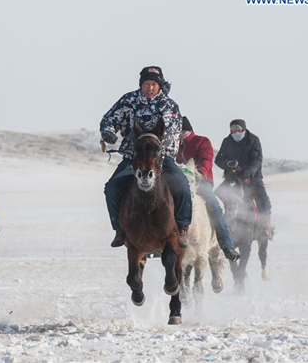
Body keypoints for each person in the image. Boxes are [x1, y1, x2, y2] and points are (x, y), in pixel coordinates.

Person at [100, 66, 192, 248]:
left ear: (160, 86)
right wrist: (109, 132)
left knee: (182, 186)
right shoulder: (128, 101)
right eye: (147, 84)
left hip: (161, 158)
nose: (150, 88)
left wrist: (157, 146)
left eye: (154, 84)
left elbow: (173, 130)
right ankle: (119, 229)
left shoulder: (169, 105)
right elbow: (109, 119)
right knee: (111, 188)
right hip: (132, 157)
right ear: (141, 84)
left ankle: (182, 227)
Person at [176, 117, 240, 261]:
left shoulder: (202, 141)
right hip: (179, 182)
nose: (178, 133)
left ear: (187, 130)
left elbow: (206, 160)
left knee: (214, 206)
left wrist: (200, 173)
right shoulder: (174, 145)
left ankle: (226, 245)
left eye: (180, 131)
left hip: (200, 182)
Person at [215, 119, 272, 237]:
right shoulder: (227, 141)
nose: (235, 133)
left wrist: (249, 173)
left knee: (264, 201)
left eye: (238, 130)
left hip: (252, 178)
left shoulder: (253, 140)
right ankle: (216, 224)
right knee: (216, 196)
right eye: (232, 131)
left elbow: (257, 160)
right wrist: (228, 165)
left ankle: (265, 227)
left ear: (244, 130)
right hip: (232, 178)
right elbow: (218, 159)